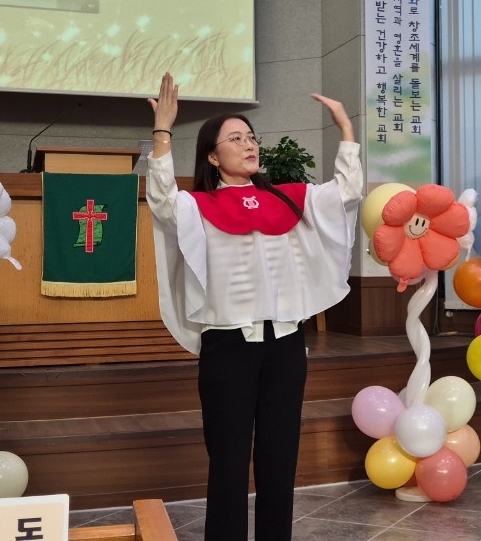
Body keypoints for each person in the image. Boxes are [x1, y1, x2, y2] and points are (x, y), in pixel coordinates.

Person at [145, 72, 363, 540]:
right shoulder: (195, 206)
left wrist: (346, 129)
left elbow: (346, 192)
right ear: (212, 155)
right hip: (228, 349)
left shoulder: (289, 198)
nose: (248, 145)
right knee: (227, 462)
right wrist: (162, 131)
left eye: (251, 137)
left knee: (280, 460)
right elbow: (160, 197)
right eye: (235, 139)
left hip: (285, 346)